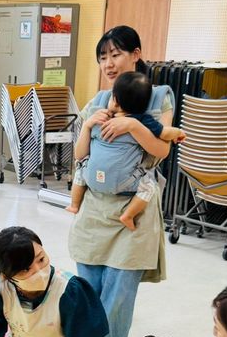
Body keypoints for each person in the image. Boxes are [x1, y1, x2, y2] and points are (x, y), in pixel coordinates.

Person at [69, 27, 175, 337]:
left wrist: (132, 126)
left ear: (136, 54)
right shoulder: (100, 101)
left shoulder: (158, 97)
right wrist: (88, 126)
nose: (109, 64)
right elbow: (80, 154)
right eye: (103, 58)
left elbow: (161, 150)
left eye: (115, 55)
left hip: (134, 204)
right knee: (89, 277)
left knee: (121, 280)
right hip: (97, 203)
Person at [69, 71, 185, 229]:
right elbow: (165, 133)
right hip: (127, 183)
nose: (108, 64)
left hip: (92, 179)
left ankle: (74, 204)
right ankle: (128, 215)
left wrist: (88, 124)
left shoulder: (99, 116)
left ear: (115, 101)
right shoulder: (145, 120)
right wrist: (178, 133)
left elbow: (79, 155)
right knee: (149, 186)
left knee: (80, 170)